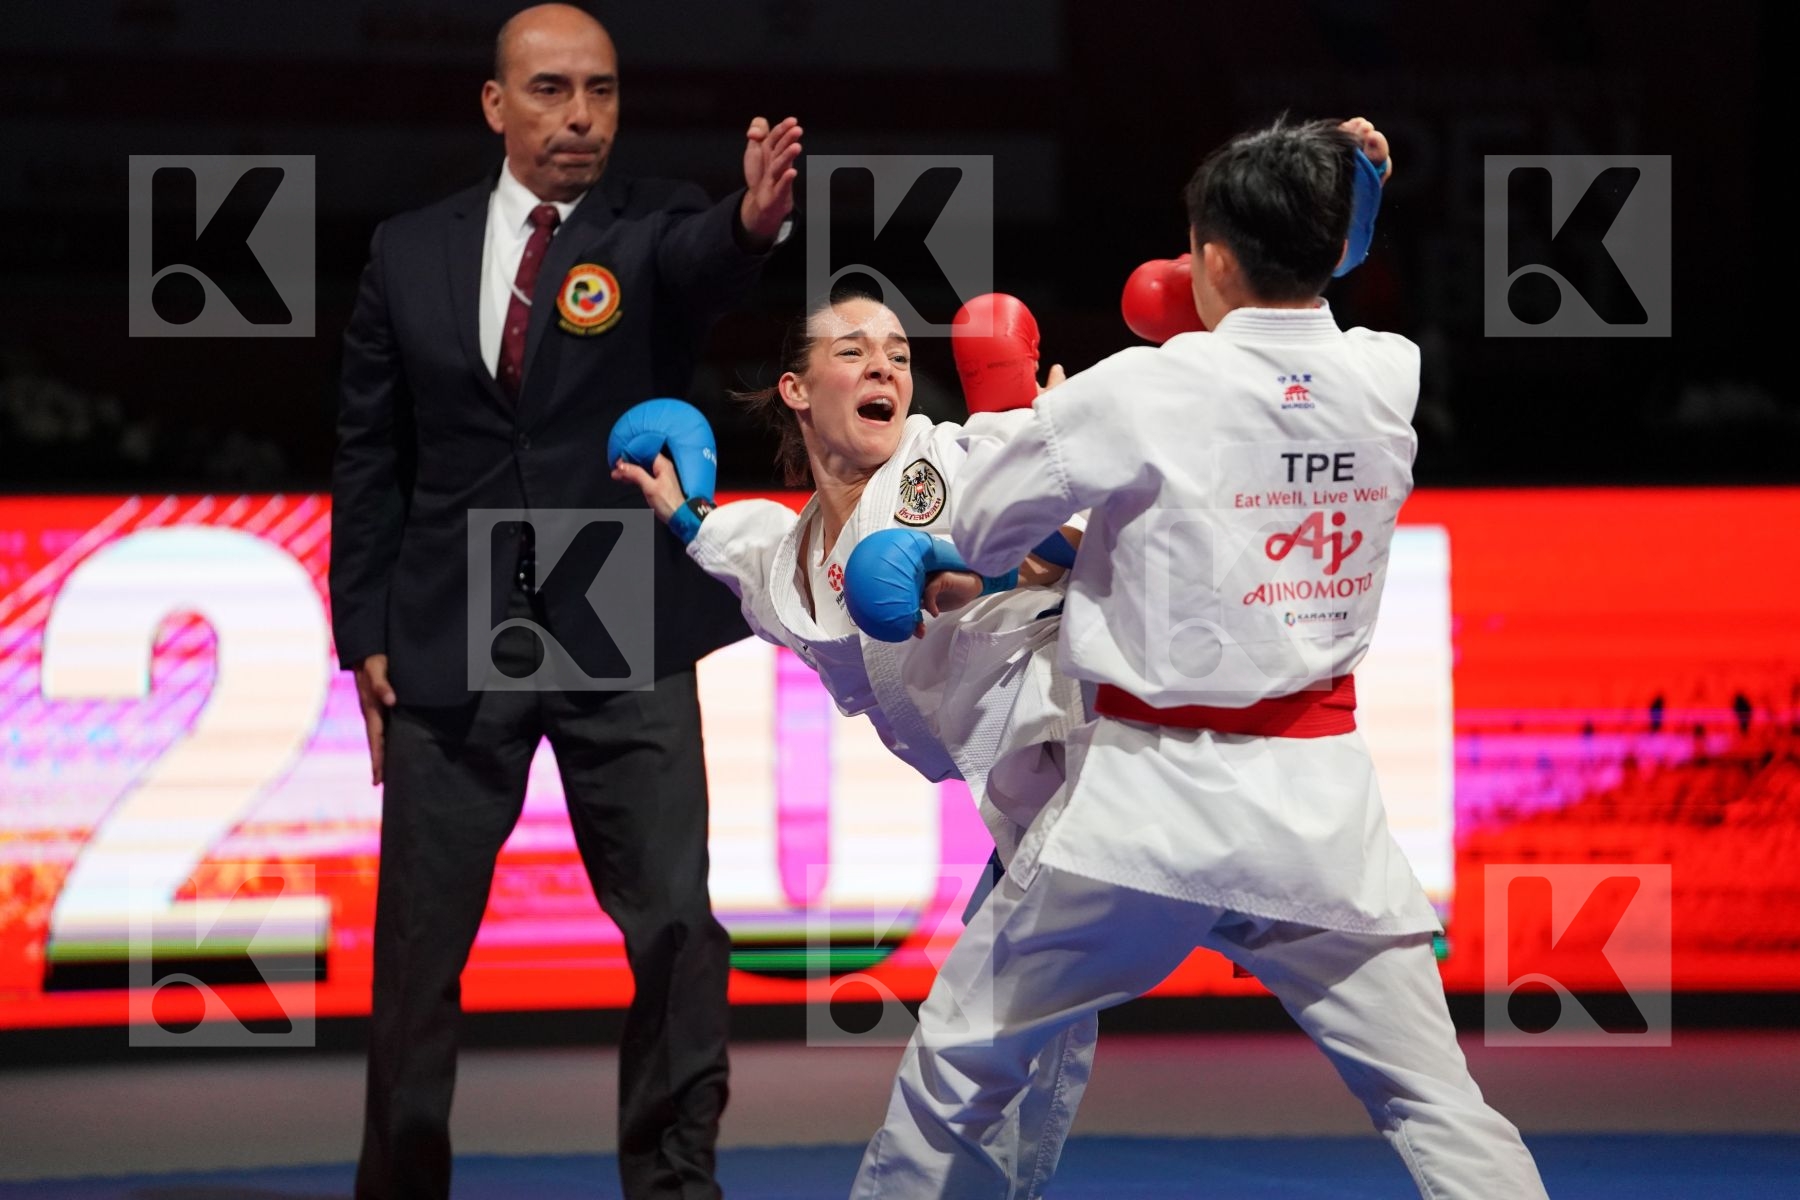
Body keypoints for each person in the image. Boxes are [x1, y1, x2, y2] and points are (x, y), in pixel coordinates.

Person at [850, 118, 1549, 1198]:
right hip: (1321, 820)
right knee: (1437, 1103)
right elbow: (1314, 297)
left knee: (959, 1065)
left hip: (1145, 815)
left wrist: (1036, 424)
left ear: (1213, 257)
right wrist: (1353, 189)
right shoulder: (1390, 374)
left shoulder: (1136, 391)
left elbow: (981, 532)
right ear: (1332, 248)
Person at [327, 4, 799, 1196]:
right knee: (417, 952)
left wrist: (752, 222)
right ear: (496, 104)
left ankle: (674, 1184)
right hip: (452, 620)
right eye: (550, 90)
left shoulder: (651, 225)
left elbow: (707, 257)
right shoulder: (409, 250)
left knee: (676, 928)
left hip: (614, 607)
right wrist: (362, 631)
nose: (580, 114)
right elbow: (371, 449)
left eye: (601, 89)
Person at [610, 290, 1095, 1198]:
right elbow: (740, 551)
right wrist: (682, 510)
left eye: (900, 355)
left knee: (962, 1070)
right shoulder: (788, 560)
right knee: (977, 1067)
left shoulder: (952, 457)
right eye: (855, 351)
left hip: (1109, 767)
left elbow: (1077, 538)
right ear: (795, 389)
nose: (886, 367)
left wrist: (1049, 460)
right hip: (1048, 817)